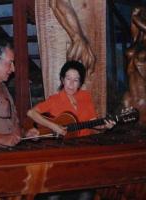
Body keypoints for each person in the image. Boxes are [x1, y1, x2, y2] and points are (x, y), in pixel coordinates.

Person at [28, 60, 115, 200]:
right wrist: (54, 126)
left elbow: (92, 122)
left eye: (76, 80)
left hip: (84, 153)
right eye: (68, 79)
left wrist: (105, 126)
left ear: (80, 83)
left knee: (86, 195)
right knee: (54, 196)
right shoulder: (55, 100)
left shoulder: (85, 97)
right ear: (62, 79)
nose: (71, 84)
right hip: (62, 155)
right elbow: (31, 113)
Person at [123, 7, 146, 128]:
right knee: (131, 140)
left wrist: (136, 17)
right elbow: (135, 30)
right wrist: (134, 17)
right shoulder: (137, 42)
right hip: (131, 98)